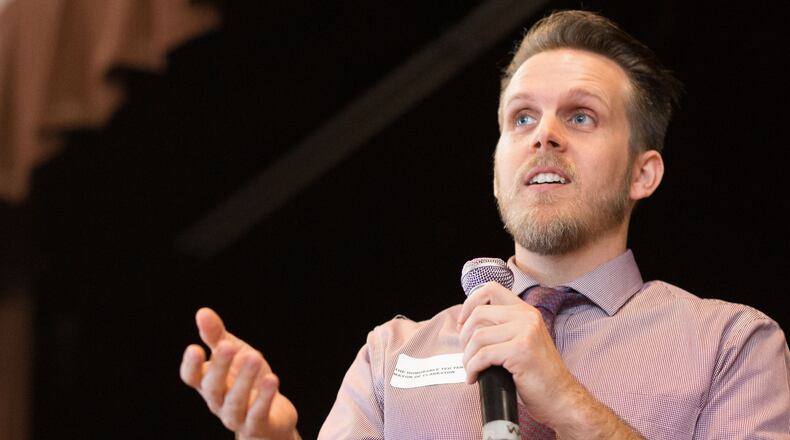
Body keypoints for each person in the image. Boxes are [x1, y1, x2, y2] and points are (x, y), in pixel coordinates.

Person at [179, 10, 790, 440]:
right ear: (497, 168)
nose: (544, 134)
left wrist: (567, 402)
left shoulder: (731, 345)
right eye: (521, 118)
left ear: (643, 173)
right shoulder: (391, 355)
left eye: (580, 117)